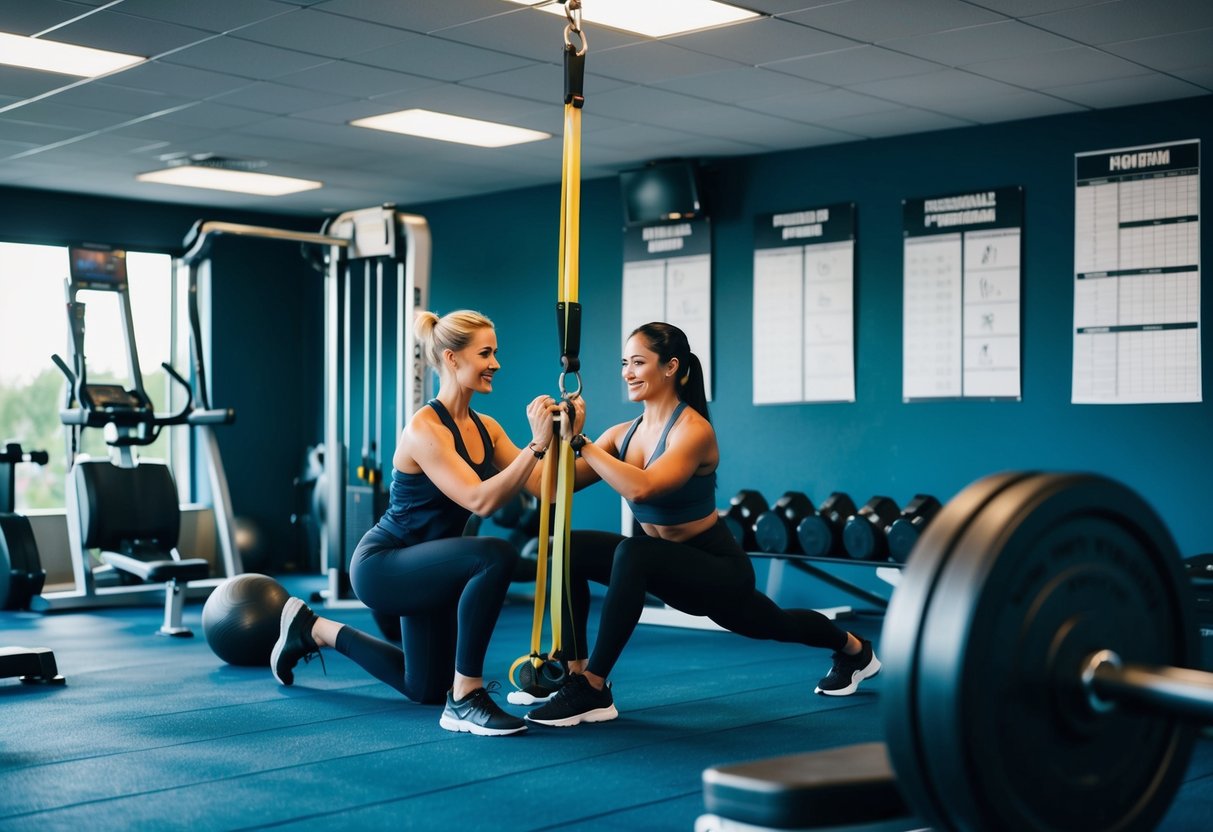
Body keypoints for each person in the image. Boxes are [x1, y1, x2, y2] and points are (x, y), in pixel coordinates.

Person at [525, 322, 880, 728]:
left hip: (716, 570)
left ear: (671, 366)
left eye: (638, 363)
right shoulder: (622, 434)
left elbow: (644, 489)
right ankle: (577, 676)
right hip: (662, 566)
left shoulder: (693, 431)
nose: (627, 372)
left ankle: (854, 651)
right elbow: (548, 489)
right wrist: (544, 440)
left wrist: (581, 442)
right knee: (568, 548)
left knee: (777, 624)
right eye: (625, 363)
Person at [271, 309, 558, 737]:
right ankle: (465, 697)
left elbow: (545, 487)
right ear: (453, 358)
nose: (496, 363)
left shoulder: (487, 428)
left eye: (495, 352)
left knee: (423, 688)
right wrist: (536, 445)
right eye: (485, 353)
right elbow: (480, 500)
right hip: (386, 564)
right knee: (494, 554)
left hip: (431, 569)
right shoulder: (425, 429)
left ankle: (313, 628)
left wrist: (572, 443)